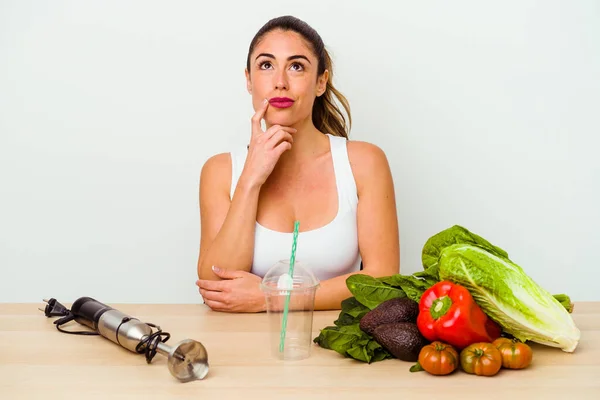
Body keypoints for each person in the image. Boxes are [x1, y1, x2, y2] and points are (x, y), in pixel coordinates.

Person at [195, 15, 399, 313]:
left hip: (336, 350)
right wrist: (250, 179)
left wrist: (273, 297)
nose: (280, 82)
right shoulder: (220, 171)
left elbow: (384, 279)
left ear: (320, 82)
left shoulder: (364, 163)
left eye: (296, 66)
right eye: (266, 65)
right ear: (249, 81)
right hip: (242, 347)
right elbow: (216, 284)